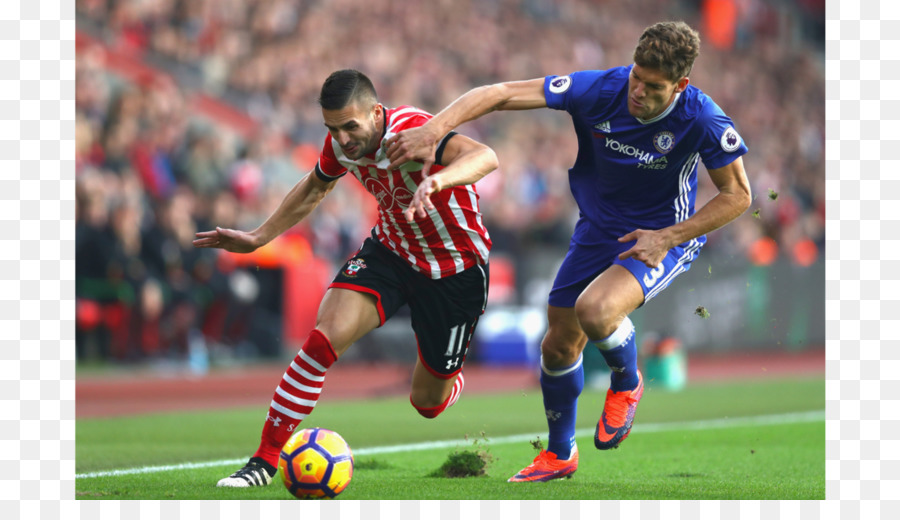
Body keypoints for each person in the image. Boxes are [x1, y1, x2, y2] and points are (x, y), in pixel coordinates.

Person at [386, 21, 751, 482]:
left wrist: (670, 236)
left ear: (680, 85)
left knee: (595, 312)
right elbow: (500, 93)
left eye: (652, 86)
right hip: (598, 230)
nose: (637, 91)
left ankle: (627, 380)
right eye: (636, 76)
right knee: (558, 343)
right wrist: (434, 129)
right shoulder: (600, 88)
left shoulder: (702, 118)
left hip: (662, 236)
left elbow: (738, 195)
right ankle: (560, 454)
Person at [194, 69, 498, 487]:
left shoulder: (413, 130)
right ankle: (264, 461)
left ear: (376, 113)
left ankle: (448, 376)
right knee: (323, 337)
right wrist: (258, 237)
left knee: (427, 403)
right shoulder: (342, 145)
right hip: (391, 253)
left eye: (350, 126)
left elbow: (485, 156)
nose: (342, 139)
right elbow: (314, 188)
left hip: (455, 268)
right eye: (332, 128)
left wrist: (439, 179)